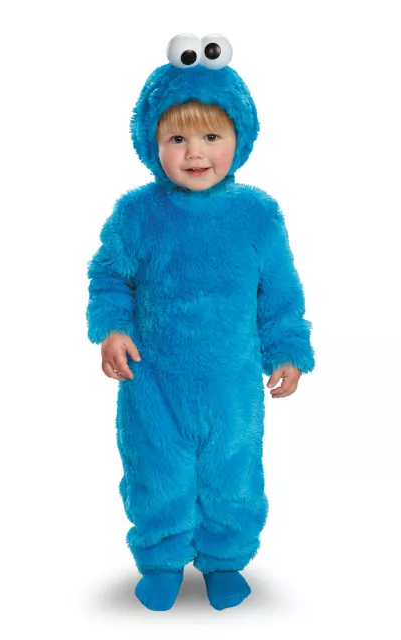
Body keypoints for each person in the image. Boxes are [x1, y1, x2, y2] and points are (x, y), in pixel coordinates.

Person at [86, 33, 316, 611]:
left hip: (232, 383)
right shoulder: (137, 213)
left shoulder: (258, 216)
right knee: (155, 470)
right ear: (151, 141)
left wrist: (287, 350)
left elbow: (279, 294)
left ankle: (225, 558)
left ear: (241, 137)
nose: (195, 153)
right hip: (152, 379)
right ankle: (162, 559)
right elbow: (110, 277)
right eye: (177, 138)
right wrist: (112, 329)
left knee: (232, 472)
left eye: (212, 137)